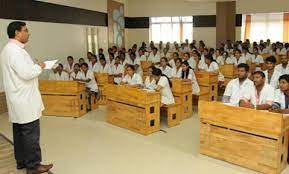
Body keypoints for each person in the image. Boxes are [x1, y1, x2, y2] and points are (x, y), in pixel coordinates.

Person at [0, 21, 53, 174]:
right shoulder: (15, 51)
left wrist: (34, 67)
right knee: (31, 135)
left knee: (19, 133)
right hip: (25, 101)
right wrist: (41, 66)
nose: (28, 33)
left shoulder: (7, 50)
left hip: (17, 100)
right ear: (17, 33)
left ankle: (21, 161)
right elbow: (26, 73)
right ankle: (34, 166)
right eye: (26, 30)